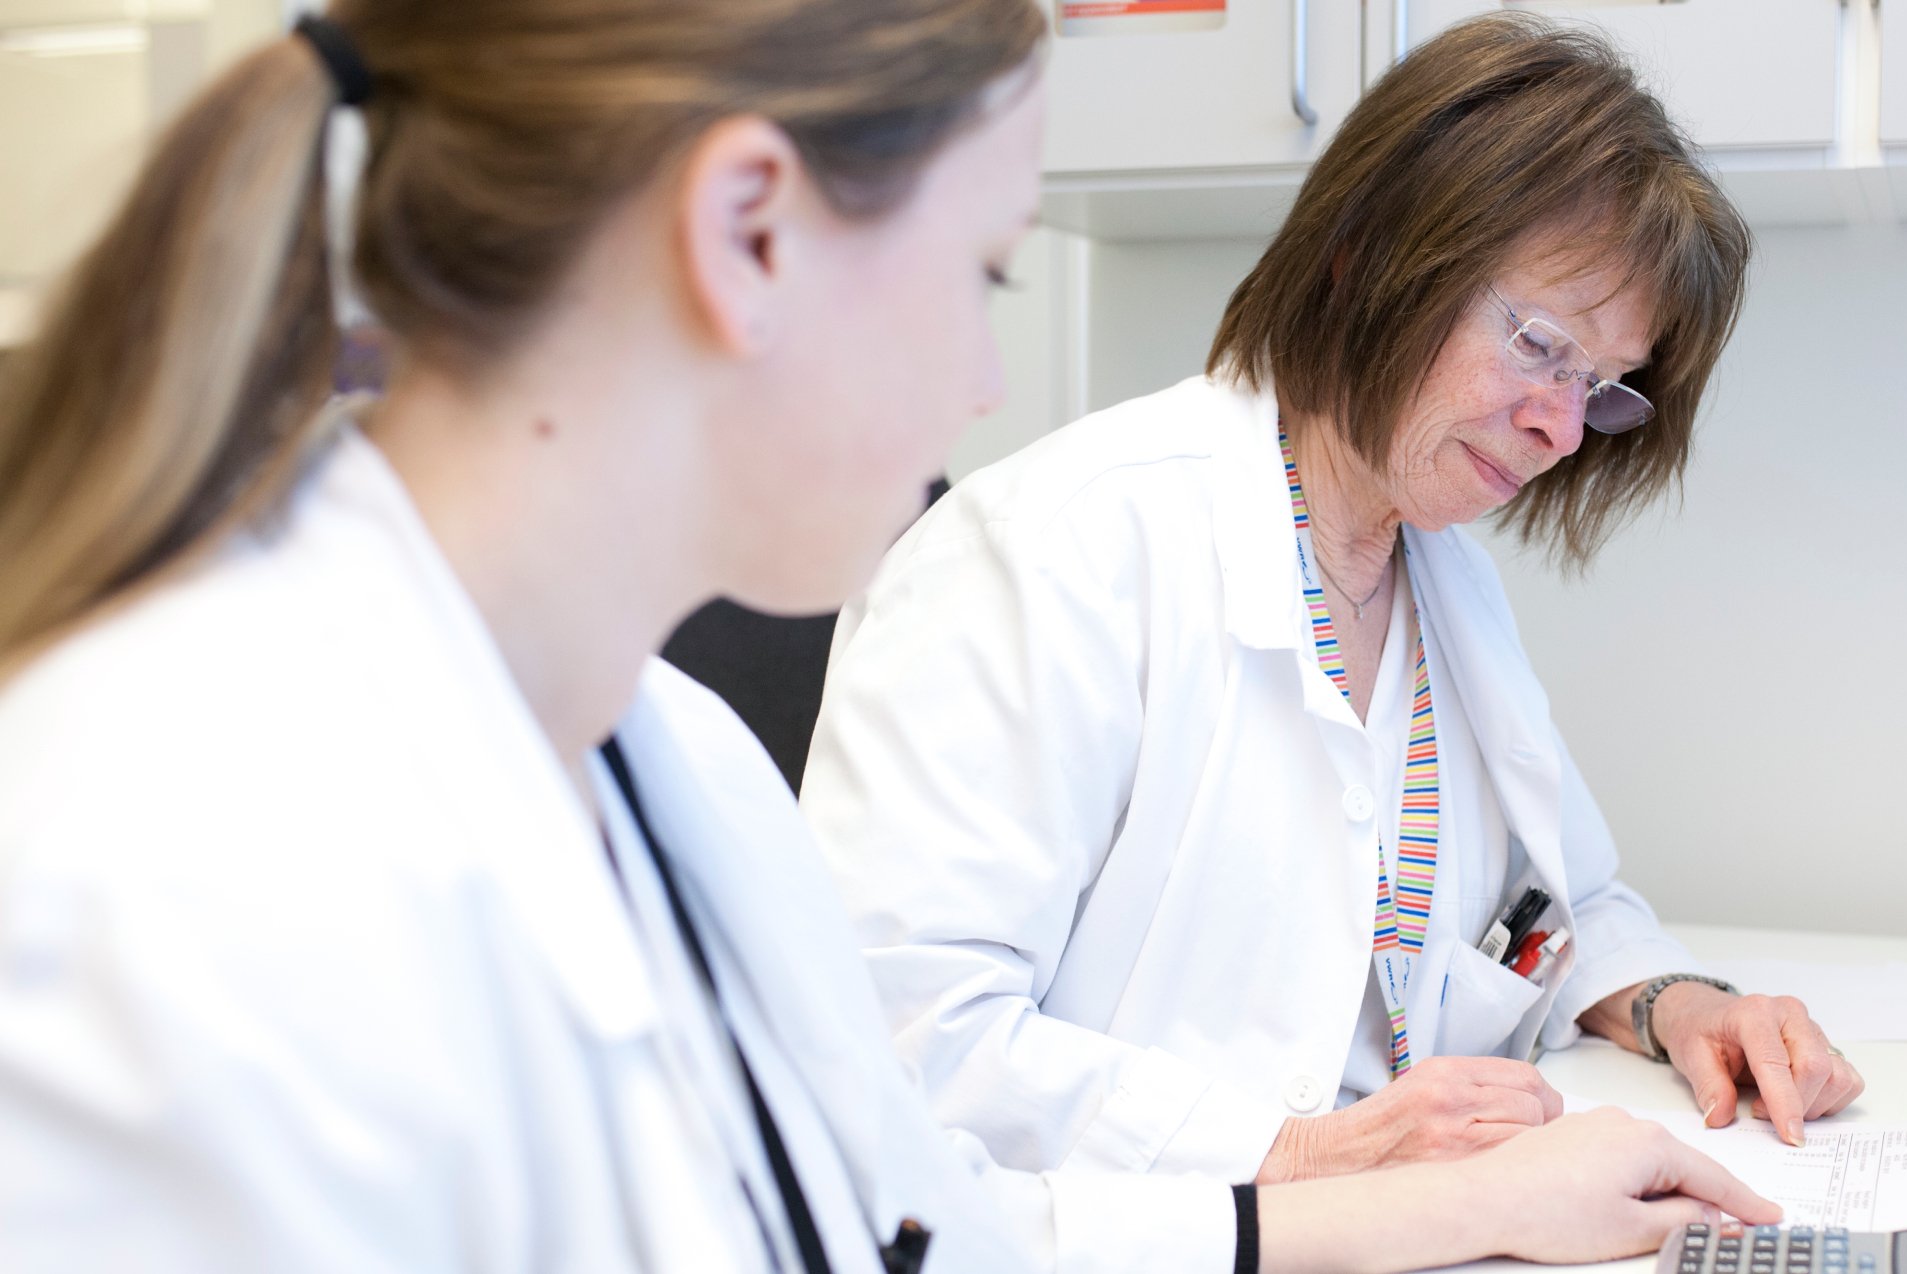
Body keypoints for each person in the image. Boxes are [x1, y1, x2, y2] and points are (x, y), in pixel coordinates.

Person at [0, 3, 1785, 1271]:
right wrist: (1332, 1185)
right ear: (749, 229)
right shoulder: (168, 861)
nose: (987, 383)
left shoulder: (671, 765)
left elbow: (899, 1216)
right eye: (983, 273)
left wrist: (1430, 1198)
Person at [801, 11, 1867, 1193]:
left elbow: (1554, 901)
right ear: (1371, 255)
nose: (1561, 429)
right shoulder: (1047, 552)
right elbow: (895, 1033)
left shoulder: (1438, 574)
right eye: (1539, 345)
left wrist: (1675, 1002)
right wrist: (1294, 1152)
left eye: (1602, 390)